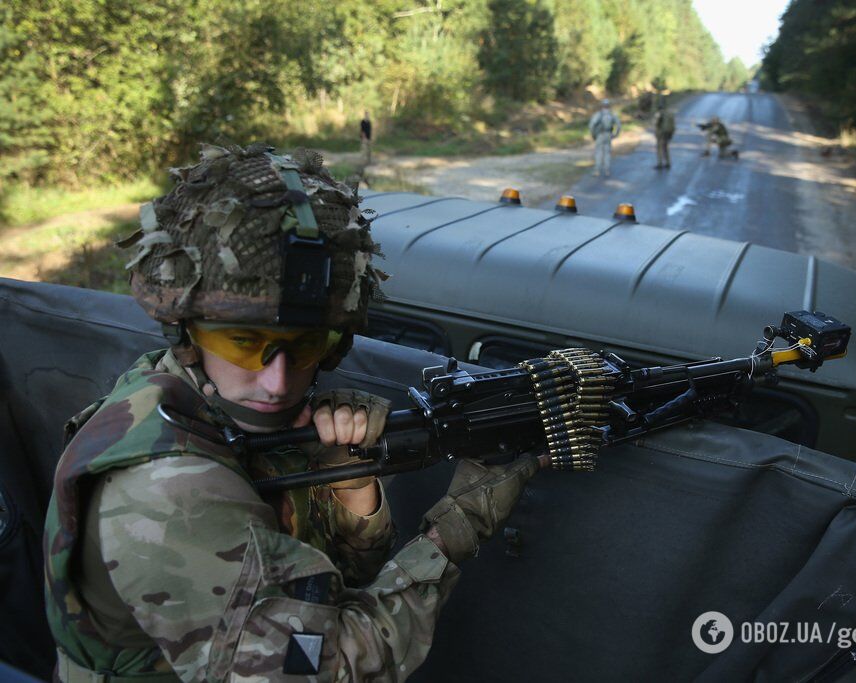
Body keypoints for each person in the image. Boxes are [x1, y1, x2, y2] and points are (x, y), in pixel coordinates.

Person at [43, 143, 539, 682]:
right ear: (186, 329)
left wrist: (347, 481)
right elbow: (329, 665)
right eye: (242, 341)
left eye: (305, 345)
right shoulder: (167, 488)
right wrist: (460, 524)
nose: (277, 381)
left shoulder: (215, 407)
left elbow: (336, 587)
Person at [588, 99, 621, 177]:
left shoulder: (598, 114)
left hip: (600, 135)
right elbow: (619, 125)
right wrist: (615, 134)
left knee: (599, 152)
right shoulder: (612, 114)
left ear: (601, 106)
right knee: (607, 152)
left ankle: (597, 170)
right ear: (609, 106)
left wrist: (593, 135)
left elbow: (591, 126)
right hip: (608, 134)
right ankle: (607, 170)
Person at [652, 97, 675, 169]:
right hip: (668, 132)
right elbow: (673, 125)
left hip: (661, 133)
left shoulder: (659, 114)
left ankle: (660, 163)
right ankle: (668, 162)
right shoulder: (670, 113)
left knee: (659, 148)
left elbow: (656, 124)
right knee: (665, 147)